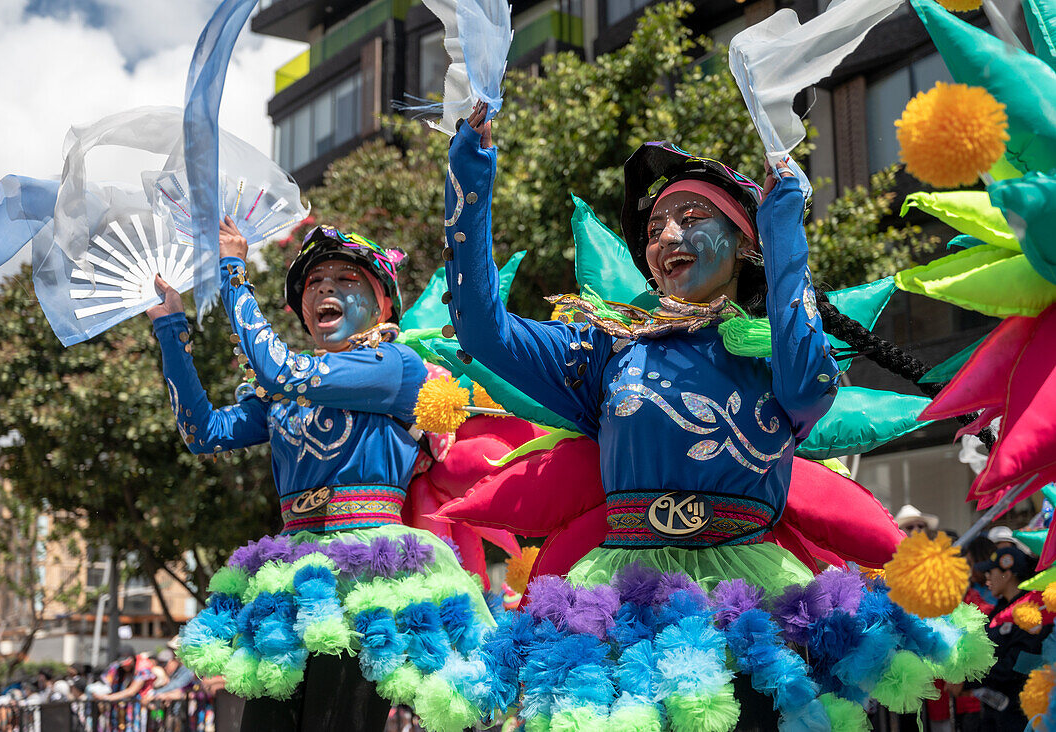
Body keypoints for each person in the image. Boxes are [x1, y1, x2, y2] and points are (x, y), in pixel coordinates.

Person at [441, 102, 992, 729]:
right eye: (654, 229)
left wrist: (784, 225)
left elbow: (810, 385)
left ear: (743, 242)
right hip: (623, 594)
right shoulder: (605, 349)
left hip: (753, 595)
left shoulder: (774, 350)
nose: (666, 237)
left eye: (692, 218)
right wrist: (472, 172)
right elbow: (483, 333)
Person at [150, 218, 497, 732]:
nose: (326, 288)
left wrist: (233, 272)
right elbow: (203, 433)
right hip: (293, 569)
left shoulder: (394, 366)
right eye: (314, 283)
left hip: (367, 574)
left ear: (384, 306)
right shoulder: (287, 390)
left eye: (346, 279)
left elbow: (281, 371)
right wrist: (170, 329)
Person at [964, 546, 1050, 730]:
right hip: (994, 713)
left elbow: (1016, 666)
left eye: (991, 571)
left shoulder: (1031, 611)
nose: (987, 577)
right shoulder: (1000, 609)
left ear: (1007, 573)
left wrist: (967, 679)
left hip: (1021, 715)